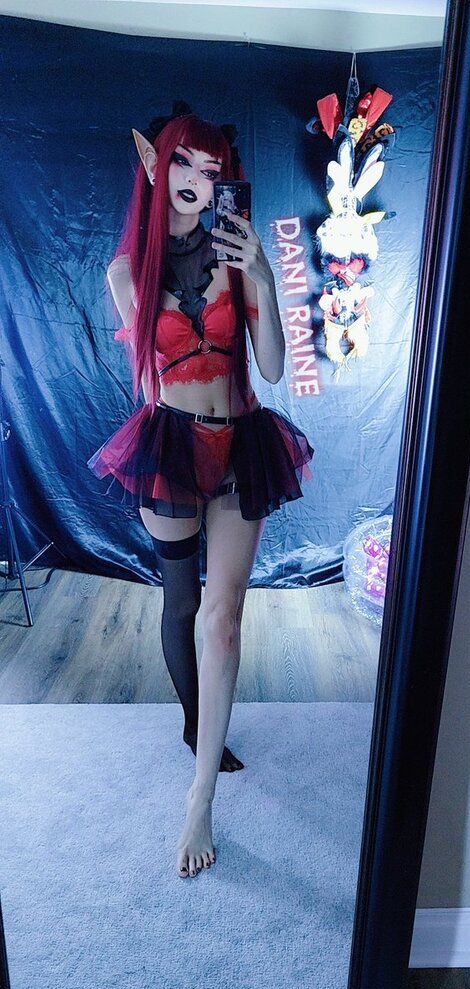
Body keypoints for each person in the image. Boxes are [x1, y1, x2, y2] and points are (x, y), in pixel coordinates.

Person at [88, 105, 313, 879]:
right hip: (173, 444)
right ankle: (195, 724)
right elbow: (148, 379)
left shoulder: (237, 255)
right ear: (154, 165)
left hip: (242, 439)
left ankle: (200, 797)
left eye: (211, 169)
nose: (196, 179)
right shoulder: (126, 274)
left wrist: (263, 280)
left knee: (223, 620)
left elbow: (274, 368)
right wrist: (165, 319)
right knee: (181, 603)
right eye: (183, 162)